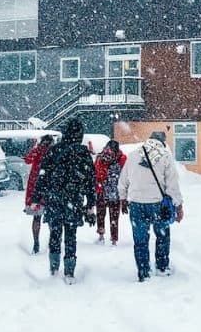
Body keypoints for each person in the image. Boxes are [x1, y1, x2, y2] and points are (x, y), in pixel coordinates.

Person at [34, 119, 96, 284]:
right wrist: (90, 204)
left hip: (54, 198)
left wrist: (36, 198)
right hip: (74, 199)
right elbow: (90, 181)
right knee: (71, 235)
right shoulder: (83, 153)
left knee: (55, 233)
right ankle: (69, 271)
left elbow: (43, 176)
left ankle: (54, 267)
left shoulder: (53, 151)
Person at [118, 135, 185, 282]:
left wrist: (123, 199)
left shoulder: (133, 155)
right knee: (162, 236)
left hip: (136, 204)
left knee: (140, 241)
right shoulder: (164, 156)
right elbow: (172, 184)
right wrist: (178, 205)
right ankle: (162, 267)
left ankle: (144, 272)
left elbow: (123, 181)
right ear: (162, 142)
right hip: (158, 205)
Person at [23, 134, 54, 254]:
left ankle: (36, 243)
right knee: (52, 217)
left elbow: (27, 160)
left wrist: (35, 148)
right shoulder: (54, 151)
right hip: (50, 185)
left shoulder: (37, 150)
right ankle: (53, 240)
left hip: (36, 184)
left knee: (37, 216)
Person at [94, 140, 127, 246]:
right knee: (114, 216)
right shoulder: (122, 158)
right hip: (116, 191)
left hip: (102, 190)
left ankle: (101, 236)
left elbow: (95, 173)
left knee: (100, 214)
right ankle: (114, 239)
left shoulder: (100, 157)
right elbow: (126, 175)